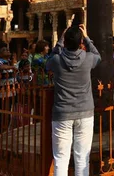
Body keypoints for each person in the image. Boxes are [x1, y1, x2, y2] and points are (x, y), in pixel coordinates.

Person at [46, 24, 100, 176]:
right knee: (82, 158)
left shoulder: (57, 60)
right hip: (85, 112)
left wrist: (60, 41)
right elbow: (98, 56)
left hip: (62, 113)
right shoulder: (88, 58)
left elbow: (48, 61)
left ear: (65, 41)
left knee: (61, 159)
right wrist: (87, 39)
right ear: (80, 42)